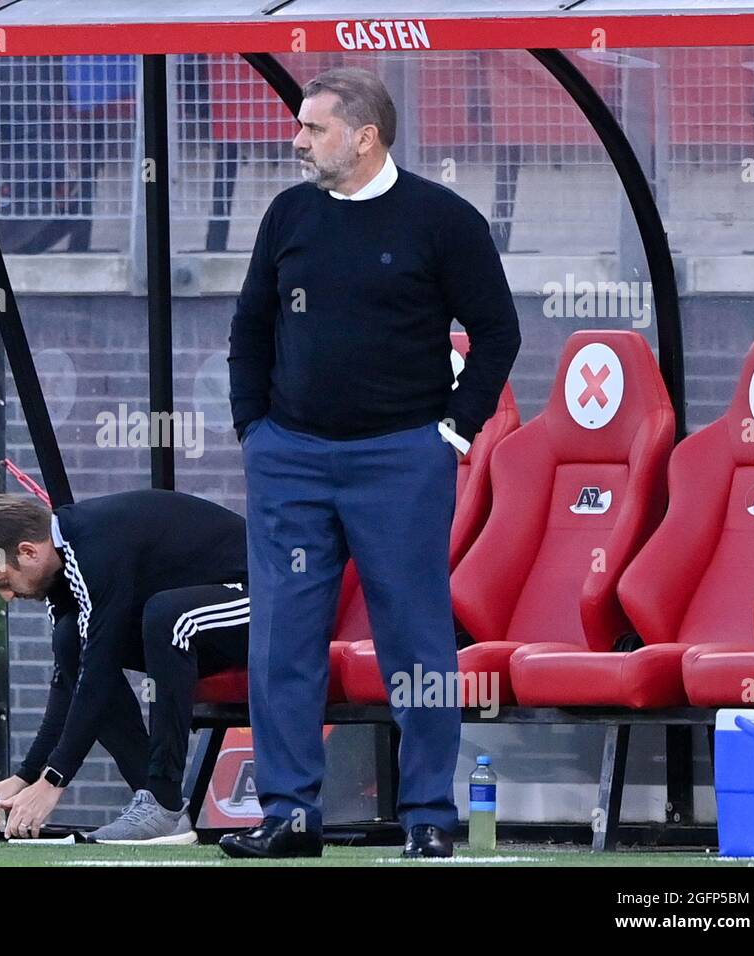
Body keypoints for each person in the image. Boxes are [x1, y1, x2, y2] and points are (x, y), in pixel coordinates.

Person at [225, 68, 521, 859]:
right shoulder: (288, 213)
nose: (297, 141)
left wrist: (453, 435)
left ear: (364, 136)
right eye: (300, 127)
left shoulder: (442, 219)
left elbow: (498, 333)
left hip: (401, 460)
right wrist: (253, 429)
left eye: (314, 129)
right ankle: (288, 813)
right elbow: (250, 325)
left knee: (416, 640)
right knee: (282, 636)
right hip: (290, 456)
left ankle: (428, 817)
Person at [0, 490, 248, 844]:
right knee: (70, 640)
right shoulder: (64, 571)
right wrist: (26, 777)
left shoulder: (94, 548)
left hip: (266, 599)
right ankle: (156, 804)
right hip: (201, 624)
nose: (6, 596)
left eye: (2, 583)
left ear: (29, 552)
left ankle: (163, 801)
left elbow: (99, 671)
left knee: (167, 617)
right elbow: (70, 681)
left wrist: (54, 781)